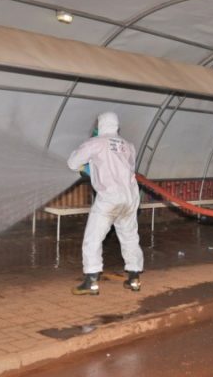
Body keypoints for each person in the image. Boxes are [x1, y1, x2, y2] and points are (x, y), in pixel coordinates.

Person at [67, 112, 143, 295]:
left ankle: (91, 281)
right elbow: (128, 167)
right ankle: (134, 279)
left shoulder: (95, 143)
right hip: (130, 197)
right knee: (130, 237)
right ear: (116, 125)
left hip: (109, 197)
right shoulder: (128, 145)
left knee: (93, 238)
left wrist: (86, 167)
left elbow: (72, 163)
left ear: (100, 125)